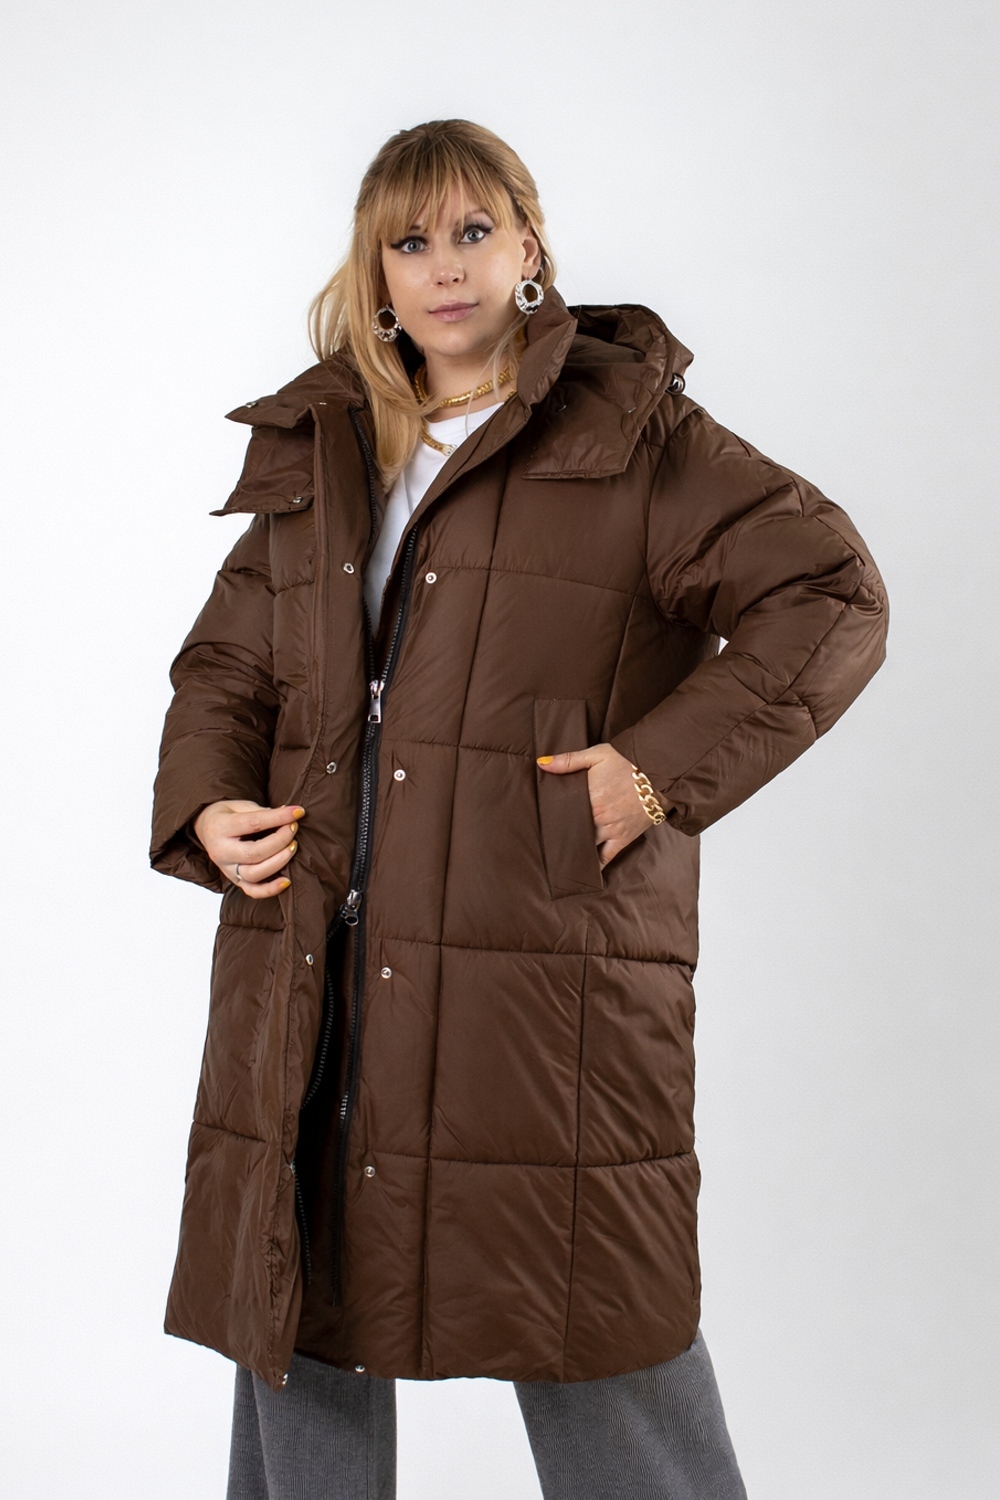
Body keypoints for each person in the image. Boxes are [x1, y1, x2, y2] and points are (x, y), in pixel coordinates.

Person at [150, 119, 889, 1499]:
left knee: (593, 1305)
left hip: (542, 960)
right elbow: (228, 666)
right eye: (411, 241)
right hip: (313, 945)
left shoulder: (632, 432)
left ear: (529, 247)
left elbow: (832, 594)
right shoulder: (326, 444)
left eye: (474, 231)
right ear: (376, 271)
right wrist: (209, 804)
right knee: (297, 1300)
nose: (446, 267)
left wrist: (651, 772)